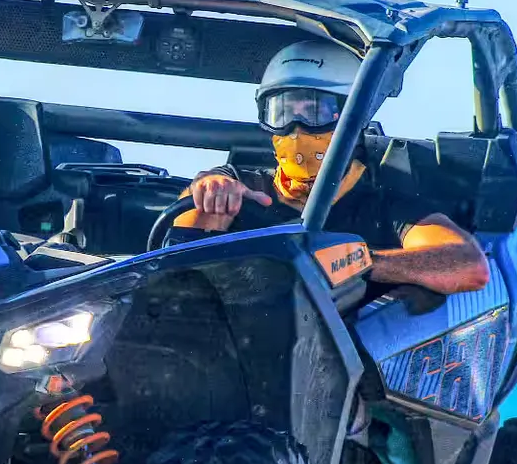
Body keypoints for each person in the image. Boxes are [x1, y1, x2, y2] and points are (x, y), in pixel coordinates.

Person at [171, 38, 491, 295]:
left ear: (350, 119)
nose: (296, 128)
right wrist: (209, 191)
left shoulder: (385, 208)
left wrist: (361, 261)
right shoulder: (242, 187)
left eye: (315, 111)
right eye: (281, 113)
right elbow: (173, 262)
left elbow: (469, 266)